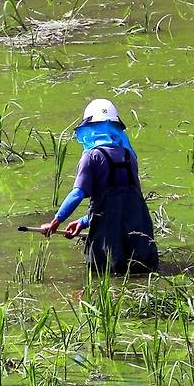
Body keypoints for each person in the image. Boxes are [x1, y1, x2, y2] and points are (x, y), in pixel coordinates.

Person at [41, 99, 158, 275]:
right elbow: (125, 206)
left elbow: (77, 194)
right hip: (140, 243)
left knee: (105, 283)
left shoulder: (92, 156)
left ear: (89, 128)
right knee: (138, 279)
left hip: (109, 245)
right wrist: (83, 222)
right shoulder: (129, 157)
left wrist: (56, 221)